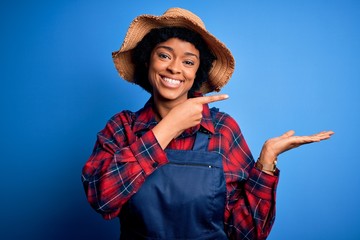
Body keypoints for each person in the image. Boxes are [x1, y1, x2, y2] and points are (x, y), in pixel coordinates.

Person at [81, 7, 333, 240]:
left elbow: (246, 233)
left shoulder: (222, 130)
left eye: (188, 61)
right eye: (164, 55)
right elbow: (103, 198)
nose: (174, 68)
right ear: (148, 60)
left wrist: (266, 162)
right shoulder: (122, 128)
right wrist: (167, 129)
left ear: (197, 72)